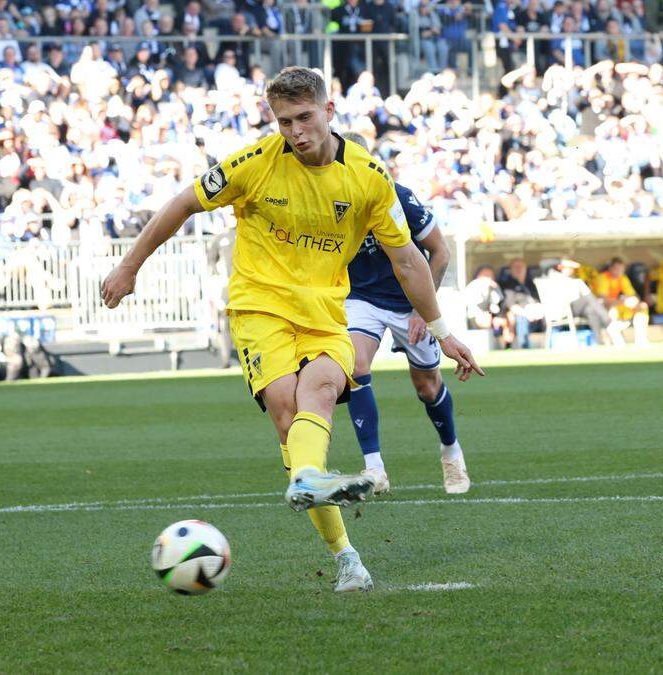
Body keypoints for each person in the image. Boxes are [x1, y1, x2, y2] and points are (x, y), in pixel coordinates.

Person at [101, 67, 483, 592]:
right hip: (260, 309)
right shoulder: (255, 163)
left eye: (305, 117)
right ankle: (346, 554)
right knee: (288, 413)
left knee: (322, 390)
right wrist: (129, 266)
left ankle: (307, 481)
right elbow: (183, 204)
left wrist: (442, 331)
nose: (296, 131)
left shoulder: (370, 177)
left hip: (327, 311)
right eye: (285, 121)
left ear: (329, 111)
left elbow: (410, 260)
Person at [338, 132, 467, 496]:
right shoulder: (331, 202)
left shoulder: (399, 196)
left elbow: (439, 252)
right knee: (355, 366)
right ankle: (374, 468)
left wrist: (421, 310)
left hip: (409, 300)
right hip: (361, 299)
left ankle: (450, 450)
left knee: (427, 387)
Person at [591, 257, 649, 346]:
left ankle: (641, 340)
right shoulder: (603, 278)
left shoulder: (622, 278)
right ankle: (618, 341)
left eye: (621, 269)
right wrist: (622, 301)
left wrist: (634, 302)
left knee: (642, 307)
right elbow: (603, 299)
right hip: (601, 308)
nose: (619, 271)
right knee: (612, 311)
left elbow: (632, 294)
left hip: (617, 305)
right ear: (610, 268)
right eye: (616, 269)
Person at [499, 258, 542, 349]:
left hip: (537, 315)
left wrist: (538, 312)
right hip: (522, 316)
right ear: (510, 270)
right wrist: (527, 314)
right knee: (521, 319)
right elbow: (511, 306)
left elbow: (538, 301)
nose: (519, 269)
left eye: (521, 267)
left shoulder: (531, 284)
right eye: (516, 267)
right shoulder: (508, 286)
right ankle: (524, 347)